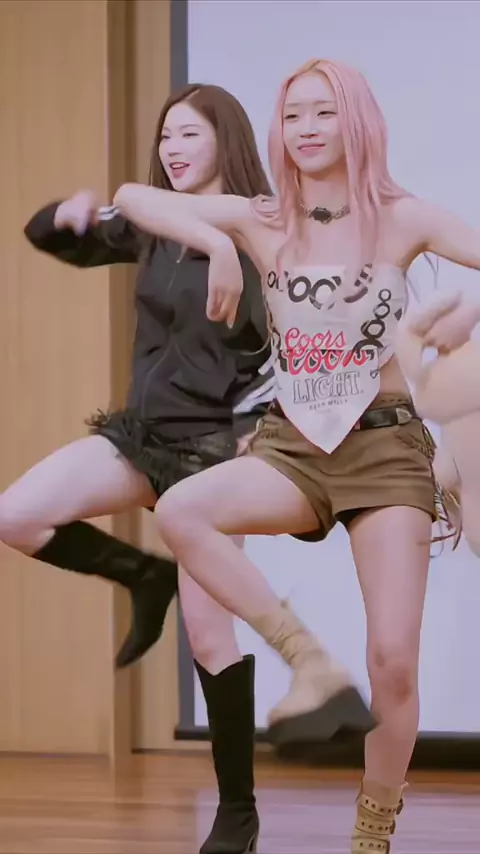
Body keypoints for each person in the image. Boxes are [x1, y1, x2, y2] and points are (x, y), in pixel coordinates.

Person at [109, 58, 480, 853]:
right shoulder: (263, 216)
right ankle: (306, 658)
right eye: (293, 115)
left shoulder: (402, 218)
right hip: (292, 445)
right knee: (183, 509)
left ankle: (372, 833)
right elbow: (133, 197)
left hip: (383, 450)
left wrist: (473, 307)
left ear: (357, 122)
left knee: (394, 665)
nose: (306, 129)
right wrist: (214, 239)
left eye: (323, 112)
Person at [0, 83, 290, 854]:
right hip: (142, 437)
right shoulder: (153, 222)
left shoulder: (261, 226)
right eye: (166, 136)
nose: (173, 148)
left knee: (209, 634)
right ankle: (144, 576)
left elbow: (276, 353)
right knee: (16, 514)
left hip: (214, 454)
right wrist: (63, 214)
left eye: (189, 134)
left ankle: (237, 813)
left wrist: (252, 444)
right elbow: (50, 234)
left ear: (226, 140)